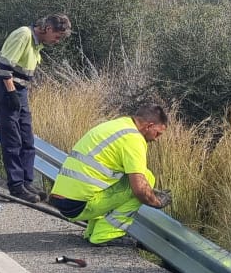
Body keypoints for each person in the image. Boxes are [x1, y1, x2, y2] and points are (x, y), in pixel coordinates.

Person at [47, 103, 170, 246]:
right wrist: (157, 202)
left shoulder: (116, 126)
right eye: (157, 133)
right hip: (78, 205)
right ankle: (105, 235)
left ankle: (92, 232)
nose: (156, 139)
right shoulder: (134, 139)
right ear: (149, 126)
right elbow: (140, 190)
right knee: (147, 178)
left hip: (64, 199)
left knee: (125, 180)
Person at [0, 13, 73, 200]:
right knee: (12, 140)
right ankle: (16, 185)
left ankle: (27, 182)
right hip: (7, 91)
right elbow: (3, 67)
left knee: (27, 140)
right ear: (48, 29)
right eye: (57, 36)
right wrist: (11, 93)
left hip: (20, 92)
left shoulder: (37, 44)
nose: (57, 41)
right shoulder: (23, 35)